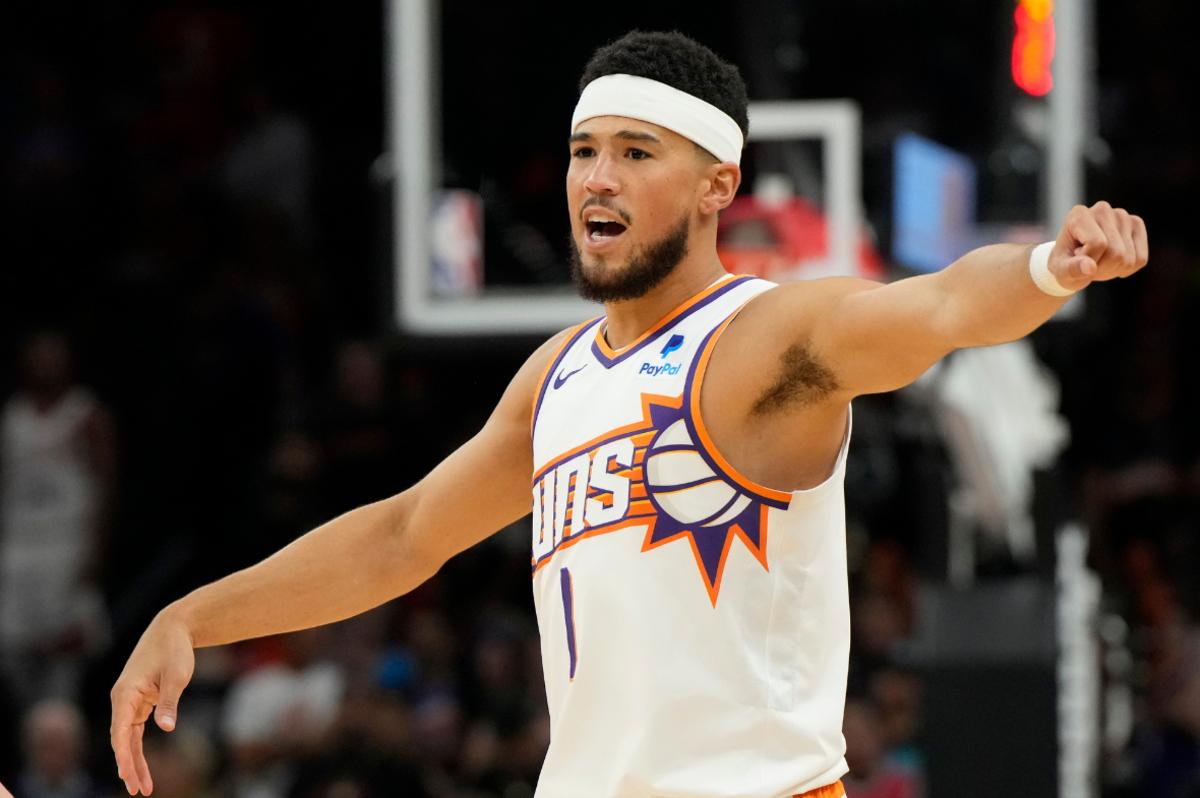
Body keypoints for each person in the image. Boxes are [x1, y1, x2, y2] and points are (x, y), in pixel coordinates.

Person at [111, 30, 1149, 798]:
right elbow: (400, 535)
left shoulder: (767, 336)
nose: (597, 178)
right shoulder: (555, 376)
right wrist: (194, 616)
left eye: (637, 153)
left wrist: (1049, 268)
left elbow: (937, 306)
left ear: (717, 185)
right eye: (584, 150)